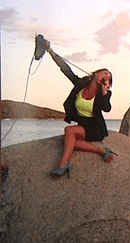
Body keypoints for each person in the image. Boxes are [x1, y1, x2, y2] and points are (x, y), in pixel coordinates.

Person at [45, 40, 114, 179]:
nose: (105, 74)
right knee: (64, 140)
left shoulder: (104, 94)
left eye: (108, 76)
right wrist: (50, 51)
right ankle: (102, 151)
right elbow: (66, 70)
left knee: (69, 131)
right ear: (96, 73)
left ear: (107, 82)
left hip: (96, 128)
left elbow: (106, 109)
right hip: (83, 126)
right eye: (104, 72)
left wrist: (105, 91)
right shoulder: (80, 84)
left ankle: (63, 165)